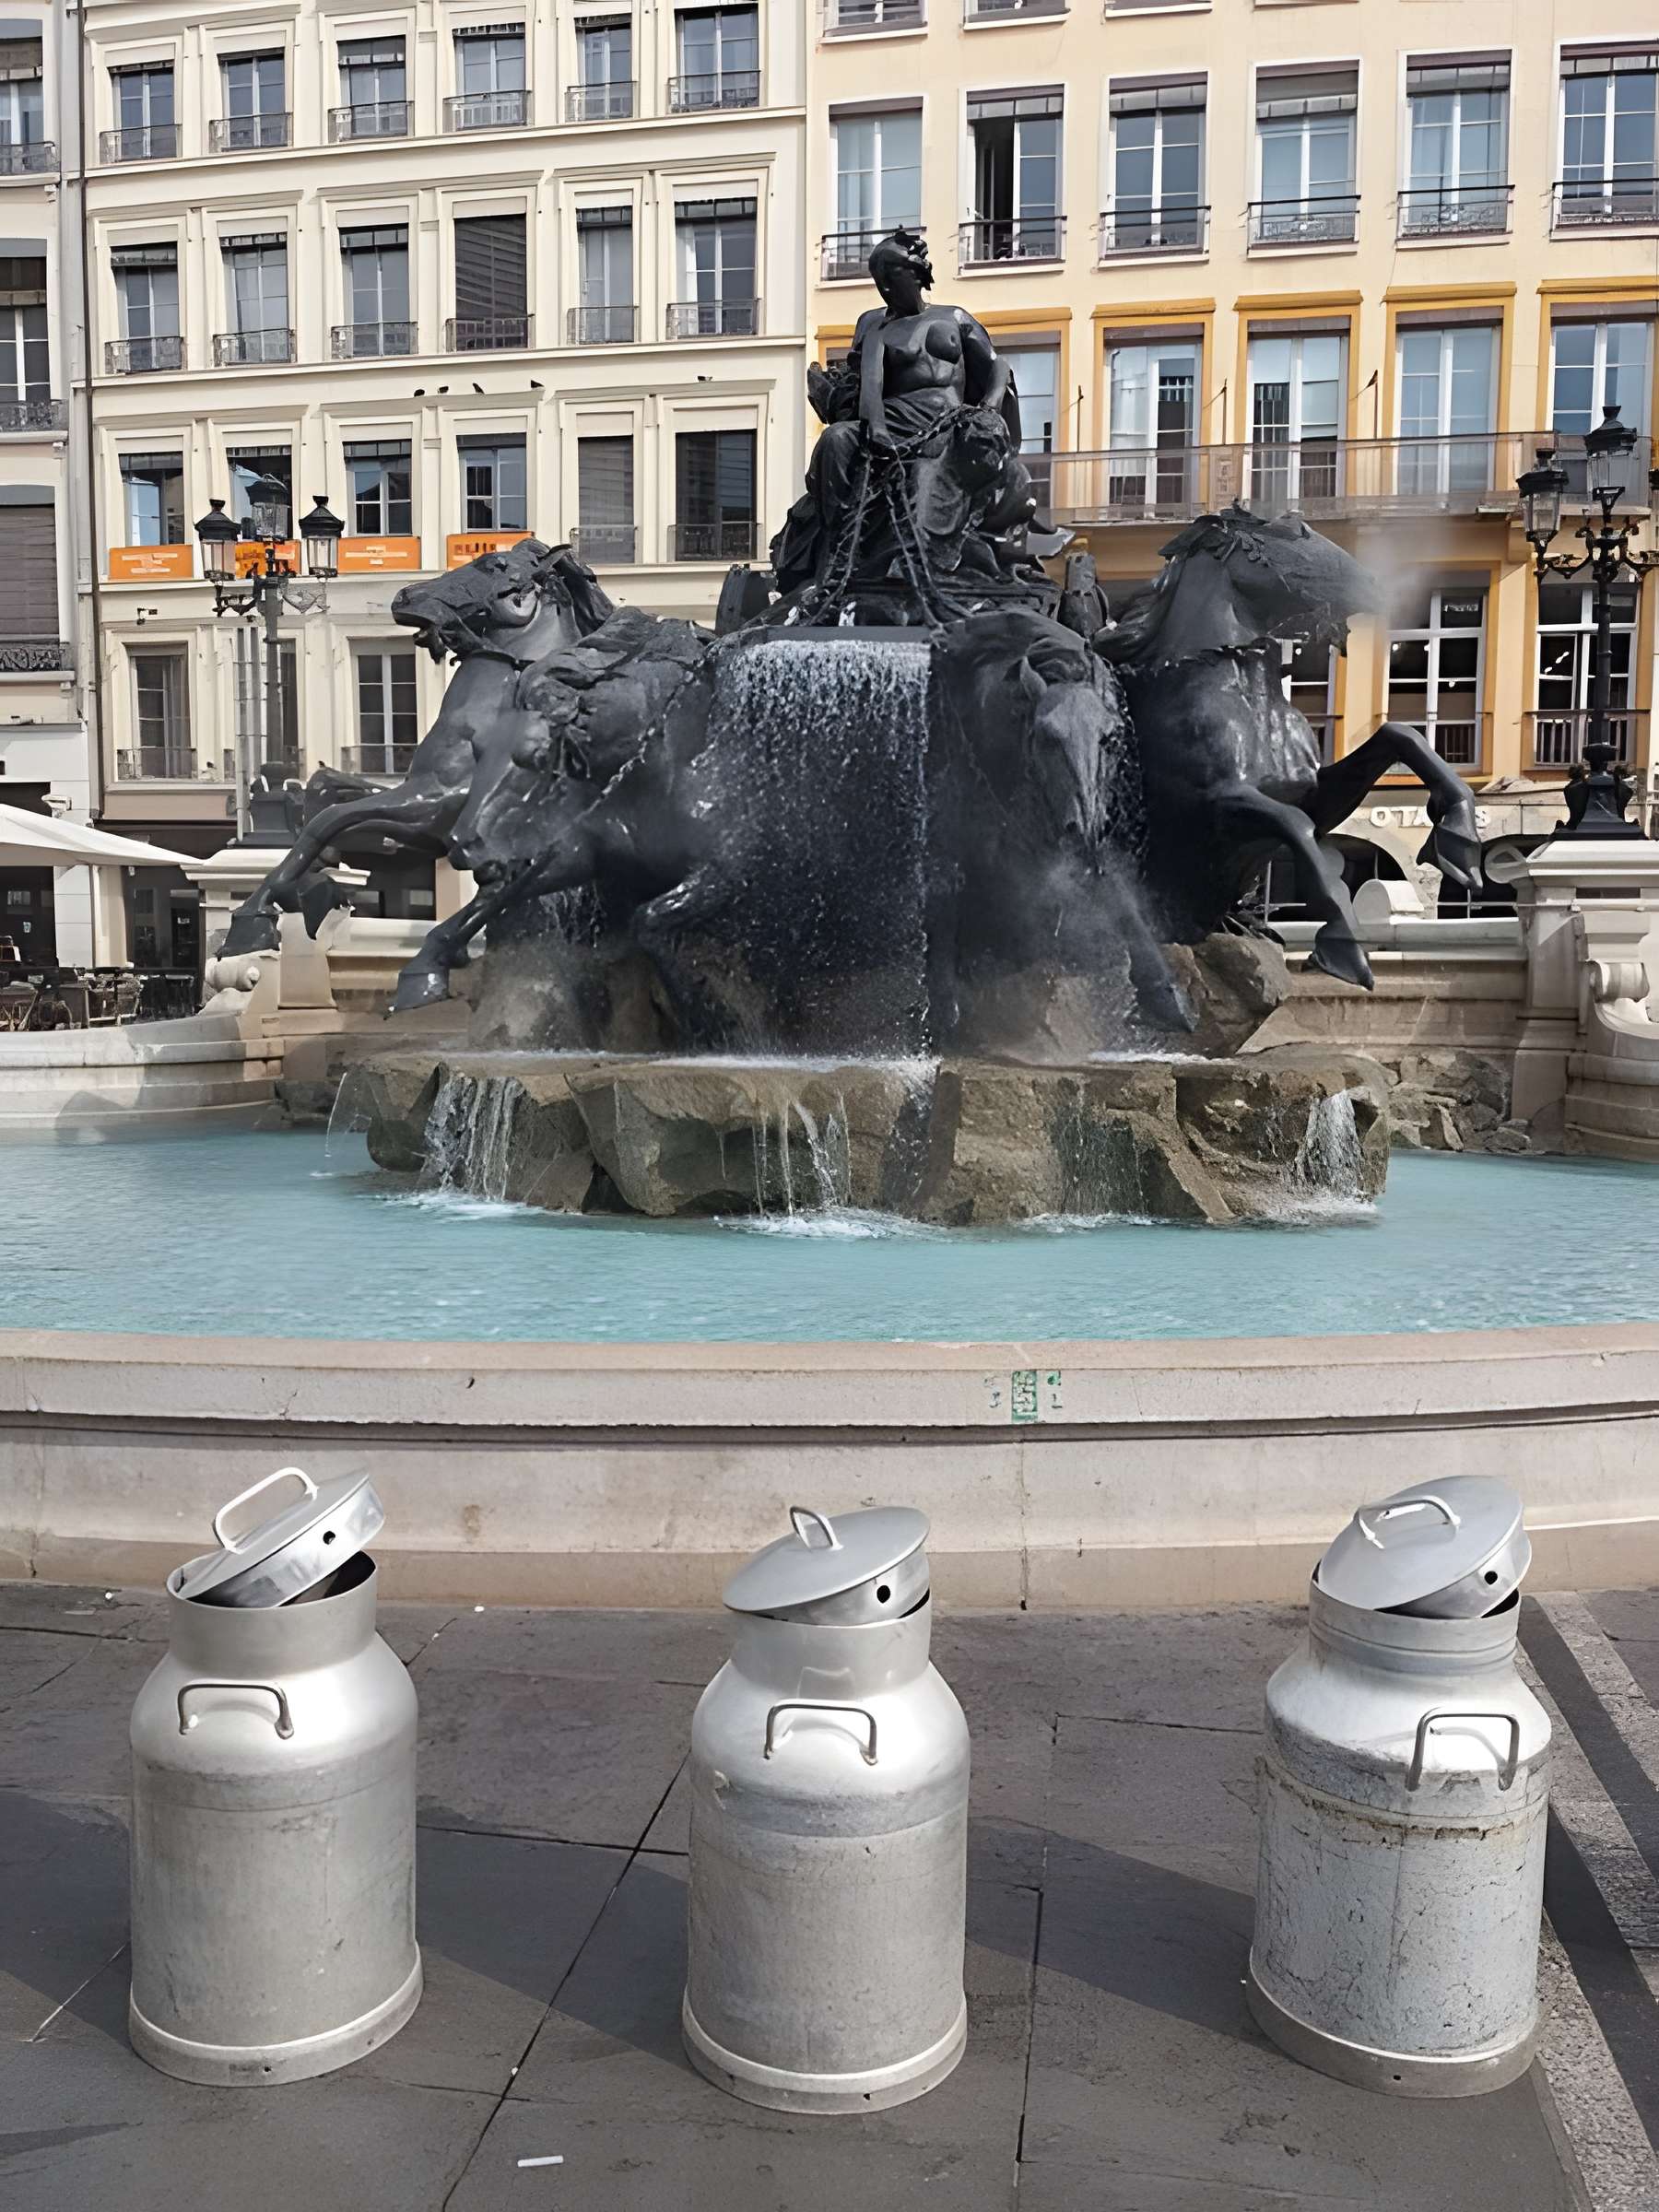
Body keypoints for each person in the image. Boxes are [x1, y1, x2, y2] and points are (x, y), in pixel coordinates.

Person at [771, 228, 1034, 600]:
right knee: (835, 439)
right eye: (883, 282)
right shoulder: (873, 325)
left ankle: (915, 562)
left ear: (918, 275)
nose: (889, 289)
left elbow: (997, 366)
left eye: (896, 277)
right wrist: (872, 423)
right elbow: (867, 382)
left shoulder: (954, 318)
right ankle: (839, 546)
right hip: (895, 417)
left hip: (947, 422)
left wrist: (988, 408)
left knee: (928, 473)